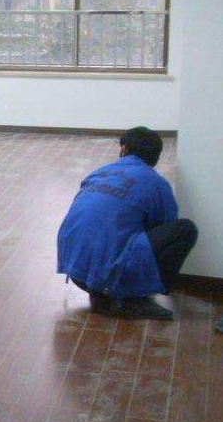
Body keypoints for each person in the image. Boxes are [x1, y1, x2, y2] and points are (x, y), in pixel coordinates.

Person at [57, 126, 198, 320]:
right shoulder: (156, 184)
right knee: (184, 229)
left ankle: (105, 290)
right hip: (106, 278)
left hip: (75, 272)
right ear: (156, 158)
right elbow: (166, 225)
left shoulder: (99, 173)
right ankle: (134, 297)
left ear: (124, 149)